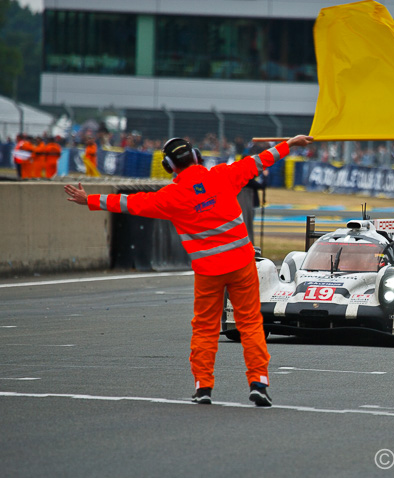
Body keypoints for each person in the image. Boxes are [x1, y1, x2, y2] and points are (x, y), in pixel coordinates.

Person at [64, 134, 314, 406]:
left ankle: (203, 387)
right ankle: (259, 383)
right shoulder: (223, 175)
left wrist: (90, 200)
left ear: (170, 166)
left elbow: (130, 204)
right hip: (242, 265)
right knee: (251, 324)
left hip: (209, 272)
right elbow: (260, 161)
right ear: (196, 156)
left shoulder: (171, 197)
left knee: (205, 329)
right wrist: (290, 144)